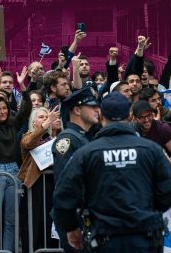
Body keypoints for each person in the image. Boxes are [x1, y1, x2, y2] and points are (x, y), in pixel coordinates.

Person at [53, 92, 171, 252]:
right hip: (142, 236)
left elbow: (63, 196)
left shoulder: (87, 153)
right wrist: (149, 208)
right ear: (129, 115)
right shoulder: (151, 150)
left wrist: (71, 227)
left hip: (106, 237)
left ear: (101, 115)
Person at [0, 75, 32, 252]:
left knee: (11, 221)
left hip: (14, 173)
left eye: (4, 108)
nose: (2, 111)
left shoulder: (13, 124)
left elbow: (26, 111)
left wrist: (23, 87)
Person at [52, 87, 100, 253]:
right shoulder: (67, 140)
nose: (97, 110)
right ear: (77, 110)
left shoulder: (84, 138)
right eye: (92, 106)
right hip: (76, 218)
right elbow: (66, 186)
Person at [18, 106, 60, 251]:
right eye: (41, 117)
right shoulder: (27, 136)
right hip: (35, 187)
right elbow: (29, 143)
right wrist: (47, 123)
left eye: (46, 116)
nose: (45, 119)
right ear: (34, 122)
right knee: (33, 224)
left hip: (51, 186)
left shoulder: (52, 139)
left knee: (49, 224)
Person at [132, 100, 171, 164]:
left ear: (153, 114)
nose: (146, 120)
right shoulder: (132, 131)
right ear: (135, 119)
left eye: (148, 115)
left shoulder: (163, 129)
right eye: (141, 117)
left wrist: (163, 164)